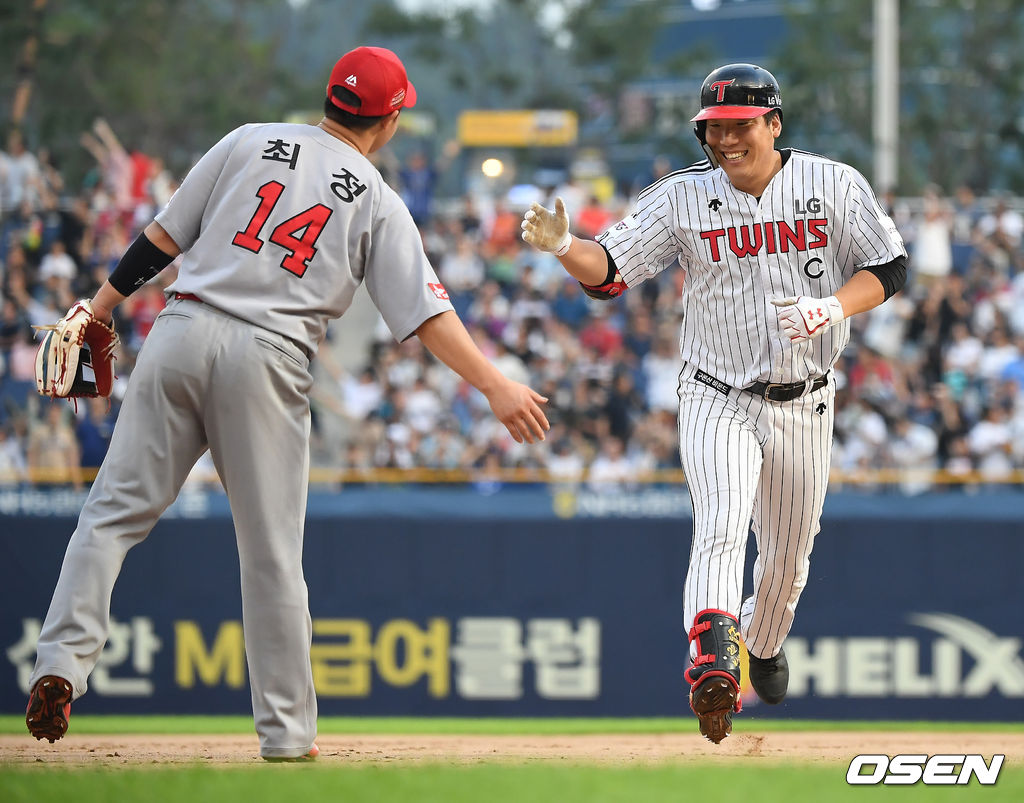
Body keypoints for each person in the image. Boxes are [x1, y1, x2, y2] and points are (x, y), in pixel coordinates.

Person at [25, 46, 549, 760]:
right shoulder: (375, 197)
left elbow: (161, 238)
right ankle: (286, 734)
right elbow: (427, 316)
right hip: (268, 354)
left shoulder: (249, 141)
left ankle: (59, 662)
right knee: (270, 555)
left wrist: (101, 305)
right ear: (390, 120)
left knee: (110, 514)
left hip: (180, 328)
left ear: (330, 98)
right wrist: (494, 383)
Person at [521, 63, 907, 743]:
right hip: (716, 391)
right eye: (713, 127)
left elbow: (890, 265)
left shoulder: (834, 184)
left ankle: (762, 641)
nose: (725, 139)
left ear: (773, 124)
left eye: (739, 125)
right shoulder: (682, 196)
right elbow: (609, 274)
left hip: (806, 400)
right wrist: (564, 247)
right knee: (722, 524)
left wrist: (832, 307)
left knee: (787, 560)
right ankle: (712, 659)